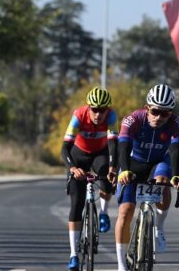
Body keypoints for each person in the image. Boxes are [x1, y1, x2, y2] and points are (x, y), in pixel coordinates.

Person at [114, 84, 179, 271]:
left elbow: (177, 150)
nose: (159, 117)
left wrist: (177, 176)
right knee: (125, 212)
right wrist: (123, 170)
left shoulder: (177, 123)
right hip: (134, 163)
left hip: (159, 162)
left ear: (171, 113)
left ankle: (158, 228)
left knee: (164, 181)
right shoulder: (133, 119)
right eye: (155, 111)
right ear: (147, 108)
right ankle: (122, 266)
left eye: (165, 114)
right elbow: (123, 146)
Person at [62, 87, 118, 271]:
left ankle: (103, 212)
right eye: (94, 109)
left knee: (107, 179)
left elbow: (113, 145)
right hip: (78, 155)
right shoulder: (78, 115)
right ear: (88, 107)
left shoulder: (111, 117)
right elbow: (65, 148)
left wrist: (112, 168)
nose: (98, 114)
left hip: (100, 153)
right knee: (76, 204)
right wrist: (72, 168)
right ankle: (73, 255)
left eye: (102, 110)